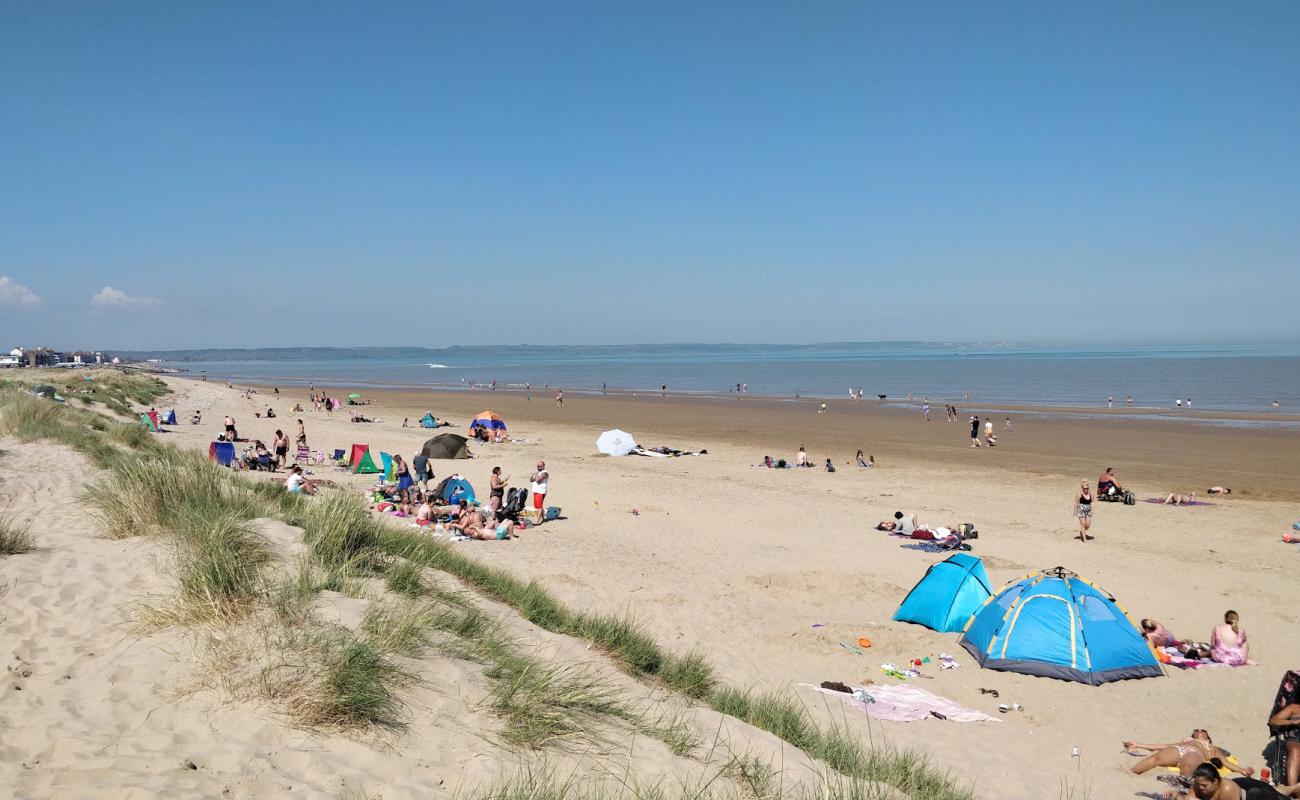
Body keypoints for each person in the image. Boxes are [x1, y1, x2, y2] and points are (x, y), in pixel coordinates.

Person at [1123, 729, 1250, 778]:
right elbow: (1163, 746)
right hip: (1179, 749)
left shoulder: (1212, 747)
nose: (1199, 731)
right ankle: (1130, 772)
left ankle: (1183, 793)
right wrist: (1138, 744)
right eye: (1197, 730)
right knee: (1156, 758)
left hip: (1196, 754)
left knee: (1187, 767)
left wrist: (1242, 770)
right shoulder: (1186, 740)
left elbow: (1226, 762)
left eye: (1202, 731)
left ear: (1208, 737)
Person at [1188, 760, 1299, 799]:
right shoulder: (1197, 784)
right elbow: (1189, 798)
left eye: (1205, 785)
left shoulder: (1228, 790)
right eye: (1199, 784)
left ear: (1215, 781)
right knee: (1272, 789)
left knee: (1273, 795)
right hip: (1241, 785)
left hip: (1254, 793)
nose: (1200, 787)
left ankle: (1295, 788)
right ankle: (1294, 788)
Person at [1270, 702, 1300, 786]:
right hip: (1295, 740)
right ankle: (1293, 789)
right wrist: (1293, 722)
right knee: (1296, 749)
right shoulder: (1294, 708)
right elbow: (1273, 720)